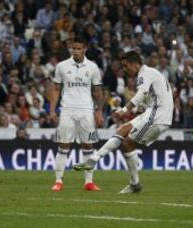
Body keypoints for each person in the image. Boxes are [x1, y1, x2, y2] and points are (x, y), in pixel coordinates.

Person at [73, 51, 174, 194]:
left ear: (135, 64)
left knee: (127, 143)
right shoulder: (151, 73)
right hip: (153, 112)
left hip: (157, 116)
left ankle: (135, 184)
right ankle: (93, 160)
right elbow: (151, 96)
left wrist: (125, 109)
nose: (125, 69)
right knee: (121, 131)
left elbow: (142, 94)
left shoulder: (144, 73)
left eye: (126, 66)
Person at [50, 37, 104, 192]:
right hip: (67, 110)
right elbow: (55, 89)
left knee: (88, 145)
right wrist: (52, 110)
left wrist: (99, 111)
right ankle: (58, 181)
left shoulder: (93, 67)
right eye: (73, 48)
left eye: (79, 48)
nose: (76, 51)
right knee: (63, 145)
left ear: (84, 49)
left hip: (87, 110)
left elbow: (98, 91)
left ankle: (89, 182)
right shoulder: (61, 66)